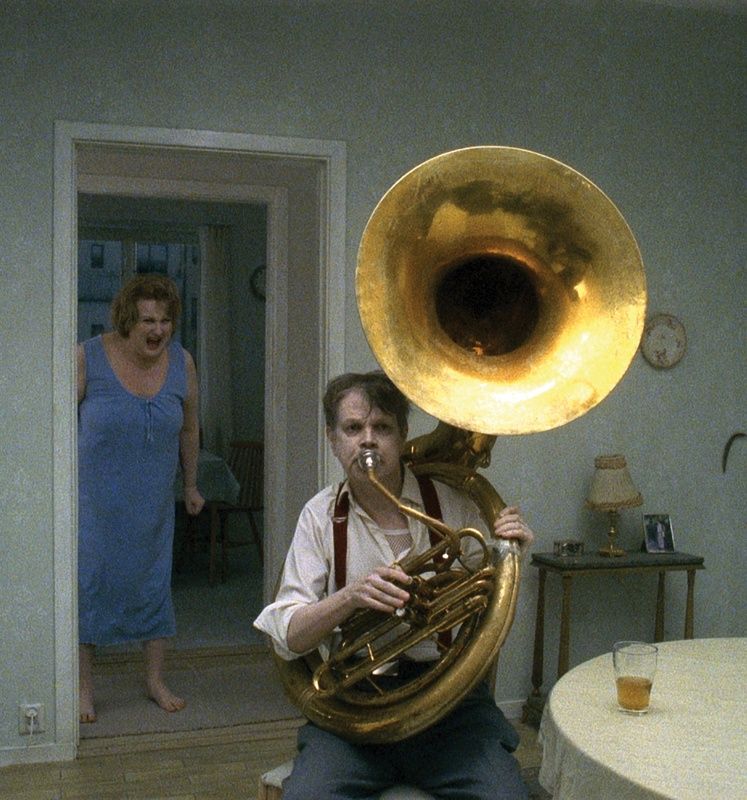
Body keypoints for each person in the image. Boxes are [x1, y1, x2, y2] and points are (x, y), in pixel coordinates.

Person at [255, 371, 534, 799]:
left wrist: (510, 549)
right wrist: (350, 597)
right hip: (355, 709)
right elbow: (289, 634)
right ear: (333, 440)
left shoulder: (454, 500)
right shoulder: (319, 515)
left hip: (451, 709)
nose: (367, 441)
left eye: (381, 427)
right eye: (353, 428)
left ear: (402, 436)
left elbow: (490, 582)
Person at [77, 274, 204, 723]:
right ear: (127, 321)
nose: (158, 330)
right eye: (148, 320)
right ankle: (82, 689)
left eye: (165, 321)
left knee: (154, 585)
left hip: (152, 503)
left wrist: (190, 485)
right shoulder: (87, 357)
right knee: (90, 586)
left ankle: (154, 680)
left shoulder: (182, 363)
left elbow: (189, 428)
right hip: (93, 503)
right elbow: (56, 427)